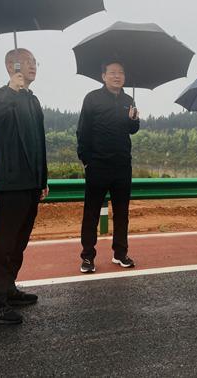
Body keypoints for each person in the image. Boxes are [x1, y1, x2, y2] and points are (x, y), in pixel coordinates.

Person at [0, 48, 49, 324]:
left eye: (35, 62)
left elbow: (39, 143)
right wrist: (11, 90)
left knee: (19, 241)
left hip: (31, 183)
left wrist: (43, 179)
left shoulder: (32, 100)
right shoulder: (1, 95)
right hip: (11, 183)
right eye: (28, 62)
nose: (33, 66)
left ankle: (8, 289)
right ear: (12, 66)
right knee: (4, 242)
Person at [77, 60, 140, 273]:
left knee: (122, 213)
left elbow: (133, 130)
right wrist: (86, 160)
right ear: (103, 76)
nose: (117, 76)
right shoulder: (92, 98)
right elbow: (82, 130)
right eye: (112, 72)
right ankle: (87, 256)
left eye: (120, 72)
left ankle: (120, 253)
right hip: (97, 165)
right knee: (91, 213)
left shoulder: (128, 100)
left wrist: (134, 120)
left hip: (122, 166)